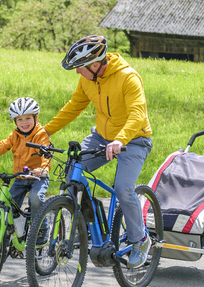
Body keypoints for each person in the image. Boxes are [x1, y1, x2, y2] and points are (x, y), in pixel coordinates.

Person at [44, 35, 153, 266]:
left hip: (134, 140)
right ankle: (85, 226)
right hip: (102, 137)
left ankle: (140, 239)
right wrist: (44, 132)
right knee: (73, 171)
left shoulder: (128, 77)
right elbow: (73, 107)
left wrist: (120, 140)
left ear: (95, 65)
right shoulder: (88, 80)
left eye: (79, 68)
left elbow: (137, 115)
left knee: (123, 189)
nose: (77, 73)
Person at [0, 97, 52, 223]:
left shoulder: (40, 135)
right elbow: (1, 147)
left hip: (38, 176)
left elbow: (46, 153)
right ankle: (10, 234)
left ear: (36, 118)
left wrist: (43, 169)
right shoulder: (15, 135)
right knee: (8, 205)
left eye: (28, 118)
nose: (24, 122)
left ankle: (41, 228)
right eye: (20, 119)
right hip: (20, 177)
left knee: (35, 198)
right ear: (15, 121)